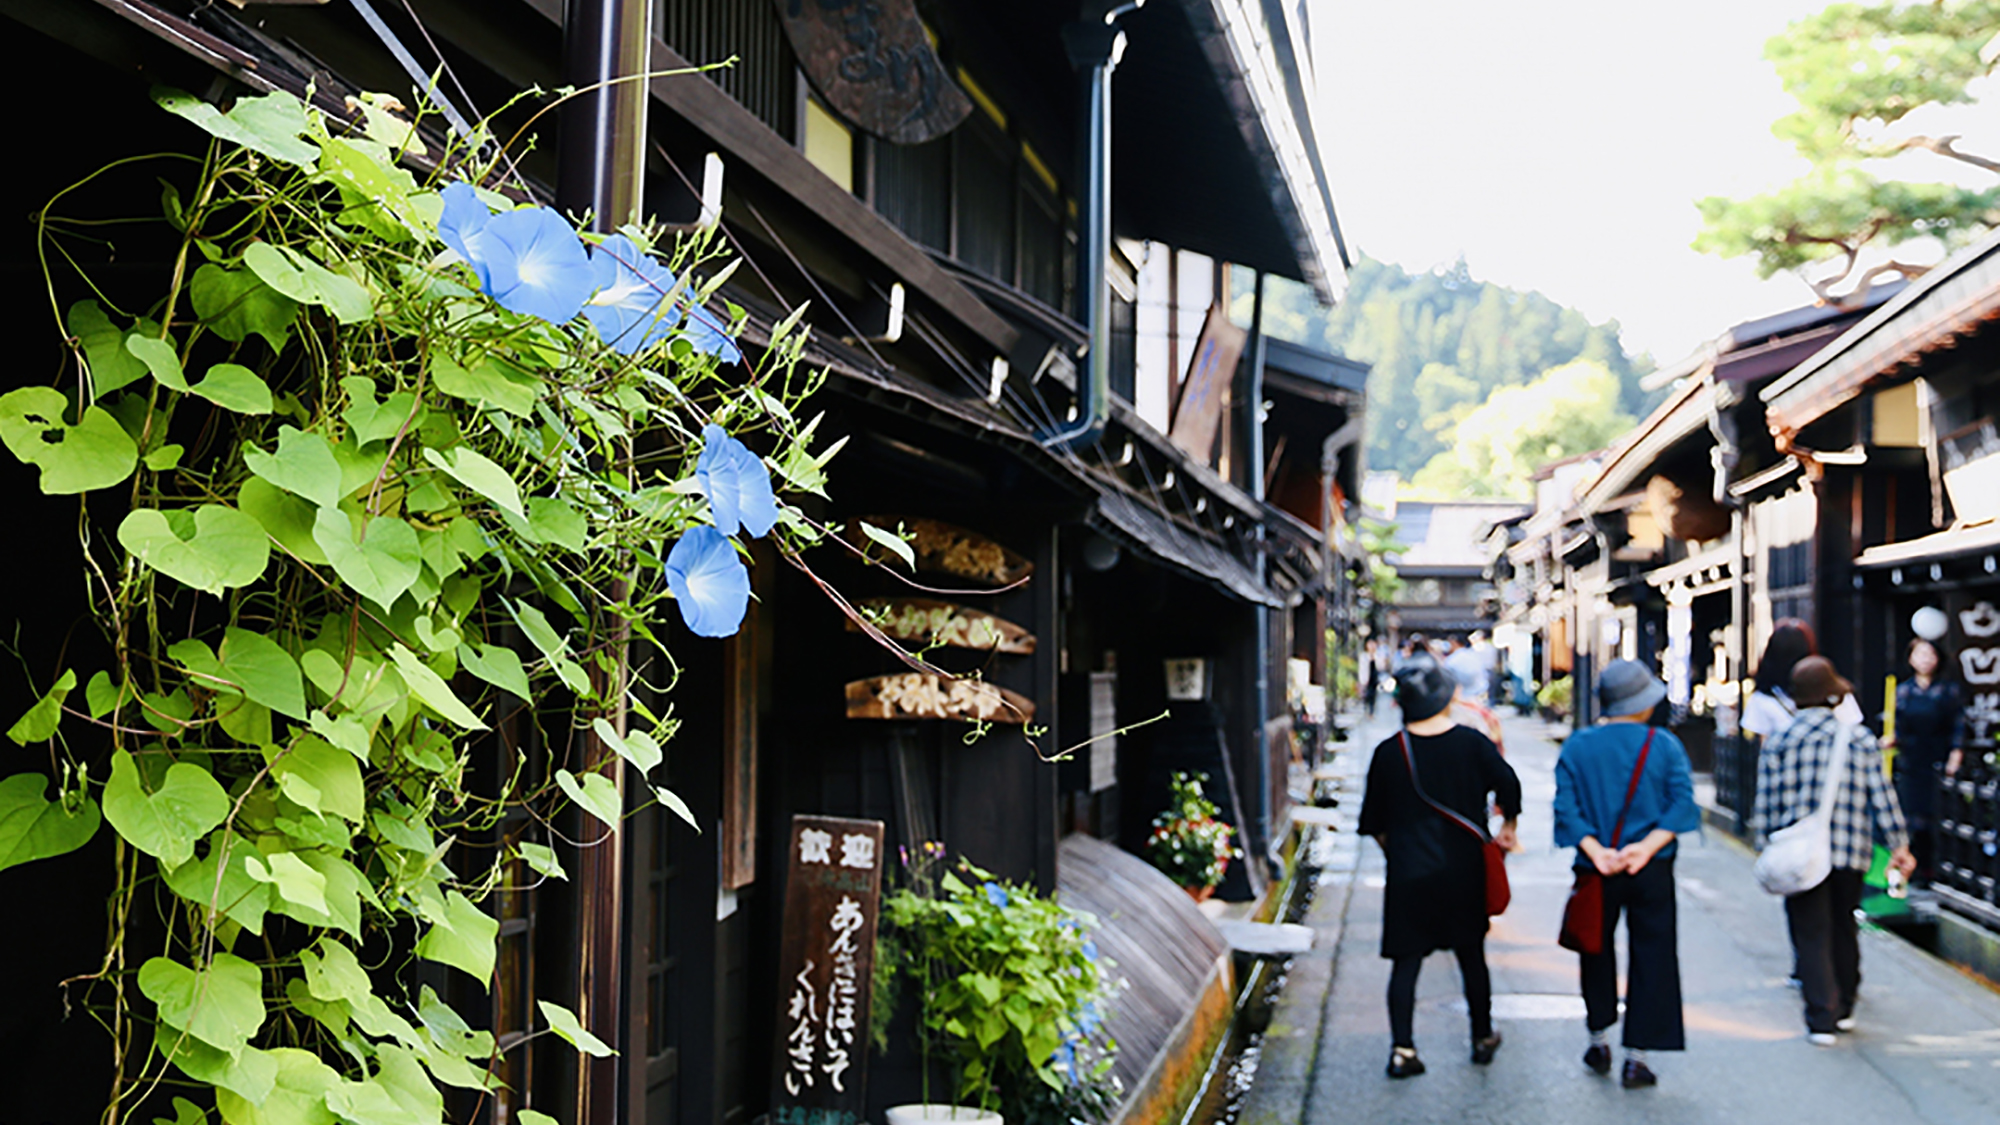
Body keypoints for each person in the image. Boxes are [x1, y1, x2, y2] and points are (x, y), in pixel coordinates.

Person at [1358, 654, 1522, 1079]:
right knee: (1471, 956)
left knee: (1406, 962)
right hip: (1463, 870)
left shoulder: (1389, 752)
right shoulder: (1472, 743)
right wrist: (1508, 826)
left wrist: (1397, 851)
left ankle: (1403, 1050)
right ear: (1445, 699)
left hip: (1409, 872)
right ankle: (1482, 1036)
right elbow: (1508, 784)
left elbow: (1372, 822)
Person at [1553, 660, 1699, 1089]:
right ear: (1644, 703)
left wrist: (1597, 851)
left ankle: (1598, 1039)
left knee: (1595, 949)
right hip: (1651, 867)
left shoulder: (1578, 746)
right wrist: (1646, 847)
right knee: (1653, 952)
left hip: (1595, 868)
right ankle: (1637, 1057)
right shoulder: (1664, 744)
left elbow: (1566, 807)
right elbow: (1682, 803)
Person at [1757, 656, 1915, 1045]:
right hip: (1849, 849)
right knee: (1844, 925)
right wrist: (1899, 845)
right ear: (1832, 696)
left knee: (1810, 931)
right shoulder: (1858, 739)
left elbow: (1766, 803)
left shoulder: (1781, 739)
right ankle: (1844, 1005)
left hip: (1799, 854)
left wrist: (1765, 845)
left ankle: (1821, 1018)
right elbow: (1882, 796)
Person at [1886, 637, 1964, 883]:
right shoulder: (1903, 691)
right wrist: (1891, 740)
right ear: (1910, 659)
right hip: (1912, 760)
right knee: (1912, 817)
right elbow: (1896, 725)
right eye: (1920, 654)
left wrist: (1955, 754)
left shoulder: (1948, 691)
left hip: (1937, 757)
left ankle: (1937, 869)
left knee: (1938, 817)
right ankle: (1914, 868)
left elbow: (1958, 725)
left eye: (1930, 654)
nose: (1925, 660)